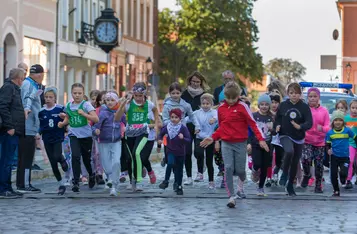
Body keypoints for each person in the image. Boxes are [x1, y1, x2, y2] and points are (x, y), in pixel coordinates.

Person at [200, 81, 269, 208]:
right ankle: (231, 196)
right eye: (228, 98)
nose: (231, 100)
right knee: (228, 168)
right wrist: (213, 137)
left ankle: (242, 181)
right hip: (226, 143)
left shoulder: (243, 107)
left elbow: (252, 124)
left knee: (240, 171)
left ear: (238, 96)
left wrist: (261, 139)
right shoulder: (221, 109)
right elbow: (221, 127)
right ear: (224, 97)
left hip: (240, 143)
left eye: (234, 98)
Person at [58, 83, 99, 192]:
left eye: (79, 93)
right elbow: (68, 118)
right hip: (73, 135)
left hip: (86, 136)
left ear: (83, 93)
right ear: (71, 93)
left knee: (86, 159)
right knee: (75, 157)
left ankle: (91, 174)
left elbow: (96, 119)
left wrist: (84, 114)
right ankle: (75, 182)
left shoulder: (86, 105)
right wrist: (62, 124)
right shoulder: (68, 105)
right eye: (75, 93)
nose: (77, 95)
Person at [274, 82, 313, 196]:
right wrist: (277, 125)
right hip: (285, 134)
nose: (294, 95)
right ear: (288, 94)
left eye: (296, 93)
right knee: (289, 150)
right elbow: (277, 119)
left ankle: (290, 185)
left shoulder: (304, 107)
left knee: (295, 162)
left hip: (299, 137)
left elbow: (309, 123)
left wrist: (300, 126)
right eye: (291, 93)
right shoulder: (283, 105)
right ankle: (284, 172)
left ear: (300, 94)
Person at [123, 82, 160, 192]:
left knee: (137, 153)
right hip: (130, 133)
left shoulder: (149, 104)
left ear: (144, 94)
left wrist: (156, 124)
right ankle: (131, 181)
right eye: (136, 95)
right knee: (130, 158)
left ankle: (139, 181)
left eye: (140, 95)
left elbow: (156, 111)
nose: (138, 98)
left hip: (144, 133)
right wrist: (124, 101)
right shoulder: (129, 104)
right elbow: (118, 115)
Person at [162, 82, 200, 185]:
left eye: (177, 93)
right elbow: (164, 119)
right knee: (172, 157)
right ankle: (175, 177)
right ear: (170, 93)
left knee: (185, 155)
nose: (175, 95)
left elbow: (192, 116)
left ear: (181, 93)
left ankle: (185, 177)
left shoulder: (185, 105)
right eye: (173, 93)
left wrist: (197, 126)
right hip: (170, 134)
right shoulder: (167, 105)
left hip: (182, 133)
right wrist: (171, 124)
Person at [16, 64, 44, 193]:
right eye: (42, 75)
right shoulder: (30, 84)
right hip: (28, 126)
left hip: (29, 126)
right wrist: (27, 110)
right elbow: (27, 99)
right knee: (26, 157)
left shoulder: (30, 83)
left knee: (25, 157)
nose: (42, 78)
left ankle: (22, 183)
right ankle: (24, 184)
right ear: (39, 74)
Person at [93, 91, 126, 196]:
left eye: (112, 100)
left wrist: (127, 129)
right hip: (104, 142)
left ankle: (115, 186)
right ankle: (109, 178)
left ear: (116, 101)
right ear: (105, 101)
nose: (110, 102)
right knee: (107, 166)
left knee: (116, 162)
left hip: (116, 141)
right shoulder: (103, 113)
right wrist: (96, 131)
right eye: (108, 100)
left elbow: (127, 122)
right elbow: (95, 126)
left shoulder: (120, 112)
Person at [0, 68, 26, 198]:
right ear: (18, 78)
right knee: (6, 160)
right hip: (9, 131)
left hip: (15, 130)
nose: (23, 80)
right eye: (23, 77)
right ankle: (3, 188)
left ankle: (8, 187)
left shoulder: (14, 89)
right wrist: (9, 126)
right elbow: (3, 106)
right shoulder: (9, 88)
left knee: (9, 160)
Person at [181, 71, 210, 186]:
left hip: (200, 127)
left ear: (201, 83)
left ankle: (200, 172)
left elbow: (210, 109)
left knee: (198, 152)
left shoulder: (204, 95)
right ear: (190, 81)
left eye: (198, 82)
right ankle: (188, 177)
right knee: (187, 152)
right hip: (186, 127)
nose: (195, 84)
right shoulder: (184, 94)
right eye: (193, 81)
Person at [38, 87, 68, 195]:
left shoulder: (60, 108)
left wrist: (64, 118)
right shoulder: (41, 111)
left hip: (57, 137)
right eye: (46, 97)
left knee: (57, 156)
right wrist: (38, 133)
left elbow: (68, 118)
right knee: (53, 163)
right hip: (47, 138)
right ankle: (61, 184)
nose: (48, 99)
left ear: (55, 98)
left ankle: (62, 159)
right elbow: (40, 125)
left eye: (50, 97)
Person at [301, 88, 330, 193]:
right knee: (305, 159)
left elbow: (328, 126)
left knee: (318, 164)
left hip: (320, 142)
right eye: (310, 96)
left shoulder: (324, 111)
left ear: (319, 97)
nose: (312, 98)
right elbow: (299, 123)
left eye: (315, 96)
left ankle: (318, 185)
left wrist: (322, 128)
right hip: (306, 140)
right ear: (307, 98)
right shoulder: (304, 109)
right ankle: (307, 174)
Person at [158, 108, 191, 195]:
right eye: (172, 117)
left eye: (176, 117)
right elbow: (160, 135)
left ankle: (178, 185)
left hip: (180, 152)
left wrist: (183, 138)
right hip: (170, 150)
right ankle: (166, 181)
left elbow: (189, 140)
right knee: (170, 163)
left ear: (180, 118)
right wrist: (160, 140)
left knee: (179, 170)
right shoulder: (167, 127)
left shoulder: (183, 128)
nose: (174, 119)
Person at [326, 110, 357, 196]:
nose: (338, 122)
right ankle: (336, 190)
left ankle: (343, 179)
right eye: (336, 120)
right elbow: (327, 143)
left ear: (343, 121)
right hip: (334, 156)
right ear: (333, 122)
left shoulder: (347, 131)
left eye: (340, 120)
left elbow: (355, 138)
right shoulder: (330, 133)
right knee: (333, 174)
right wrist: (328, 149)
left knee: (343, 172)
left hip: (345, 157)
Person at [249, 94, 274, 196]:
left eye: (266, 104)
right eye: (262, 104)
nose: (264, 106)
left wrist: (273, 129)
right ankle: (254, 170)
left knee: (265, 167)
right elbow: (249, 131)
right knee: (258, 163)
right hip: (256, 144)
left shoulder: (271, 117)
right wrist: (249, 143)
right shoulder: (254, 116)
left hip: (268, 145)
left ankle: (261, 187)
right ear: (259, 105)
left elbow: (275, 133)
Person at [190, 93, 217, 188]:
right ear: (200, 104)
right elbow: (188, 118)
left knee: (209, 161)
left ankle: (211, 181)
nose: (205, 105)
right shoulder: (197, 113)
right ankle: (200, 172)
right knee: (198, 153)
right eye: (203, 103)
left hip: (209, 138)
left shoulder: (214, 112)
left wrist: (214, 119)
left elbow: (217, 117)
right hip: (199, 137)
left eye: (207, 103)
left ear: (211, 104)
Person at [269, 91, 284, 186]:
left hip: (279, 140)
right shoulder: (267, 114)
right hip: (269, 140)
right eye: (272, 102)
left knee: (279, 159)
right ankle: (268, 177)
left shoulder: (281, 114)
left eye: (276, 102)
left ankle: (275, 173)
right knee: (268, 158)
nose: (274, 105)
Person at [344, 100, 357, 189]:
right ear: (349, 108)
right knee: (350, 161)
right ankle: (348, 180)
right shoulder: (346, 118)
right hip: (350, 143)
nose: (355, 110)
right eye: (353, 108)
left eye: (356, 108)